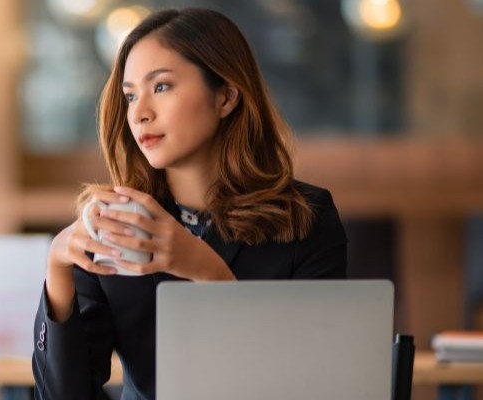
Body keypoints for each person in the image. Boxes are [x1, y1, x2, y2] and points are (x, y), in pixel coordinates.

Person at [31, 8, 348, 400]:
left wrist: (205, 270)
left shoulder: (307, 218)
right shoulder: (114, 225)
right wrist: (57, 270)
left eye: (161, 87)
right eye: (130, 96)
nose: (140, 113)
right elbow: (66, 396)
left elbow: (313, 384)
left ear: (227, 96)